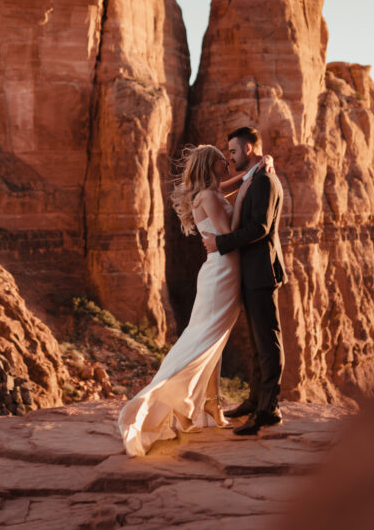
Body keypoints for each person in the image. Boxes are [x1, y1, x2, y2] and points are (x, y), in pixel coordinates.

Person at [117, 144, 242, 456]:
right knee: (204, 341)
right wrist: (246, 206)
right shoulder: (210, 197)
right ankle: (164, 402)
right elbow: (229, 233)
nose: (226, 161)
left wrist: (255, 171)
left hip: (220, 273)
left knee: (213, 342)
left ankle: (210, 406)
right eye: (220, 158)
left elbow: (233, 184)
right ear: (209, 163)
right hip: (222, 274)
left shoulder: (209, 192)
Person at [201, 127, 286, 436]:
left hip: (262, 271)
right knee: (257, 342)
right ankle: (254, 401)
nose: (231, 156)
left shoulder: (263, 180)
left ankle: (268, 410)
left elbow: (260, 228)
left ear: (248, 148)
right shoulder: (254, 178)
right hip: (252, 272)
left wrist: (220, 244)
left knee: (268, 343)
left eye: (234, 151)